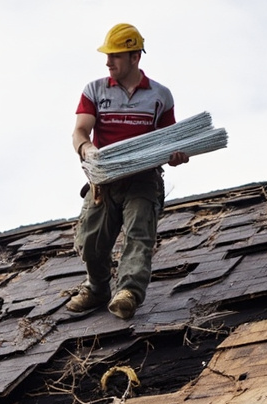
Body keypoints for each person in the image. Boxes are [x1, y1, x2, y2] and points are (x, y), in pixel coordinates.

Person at [68, 23, 189, 320]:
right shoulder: (94, 91)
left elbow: (170, 139)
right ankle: (98, 288)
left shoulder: (160, 96)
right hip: (105, 180)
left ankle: (128, 293)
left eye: (116, 56)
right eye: (108, 56)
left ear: (135, 57)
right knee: (90, 242)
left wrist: (176, 155)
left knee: (139, 233)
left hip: (143, 179)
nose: (108, 62)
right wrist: (87, 149)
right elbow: (80, 130)